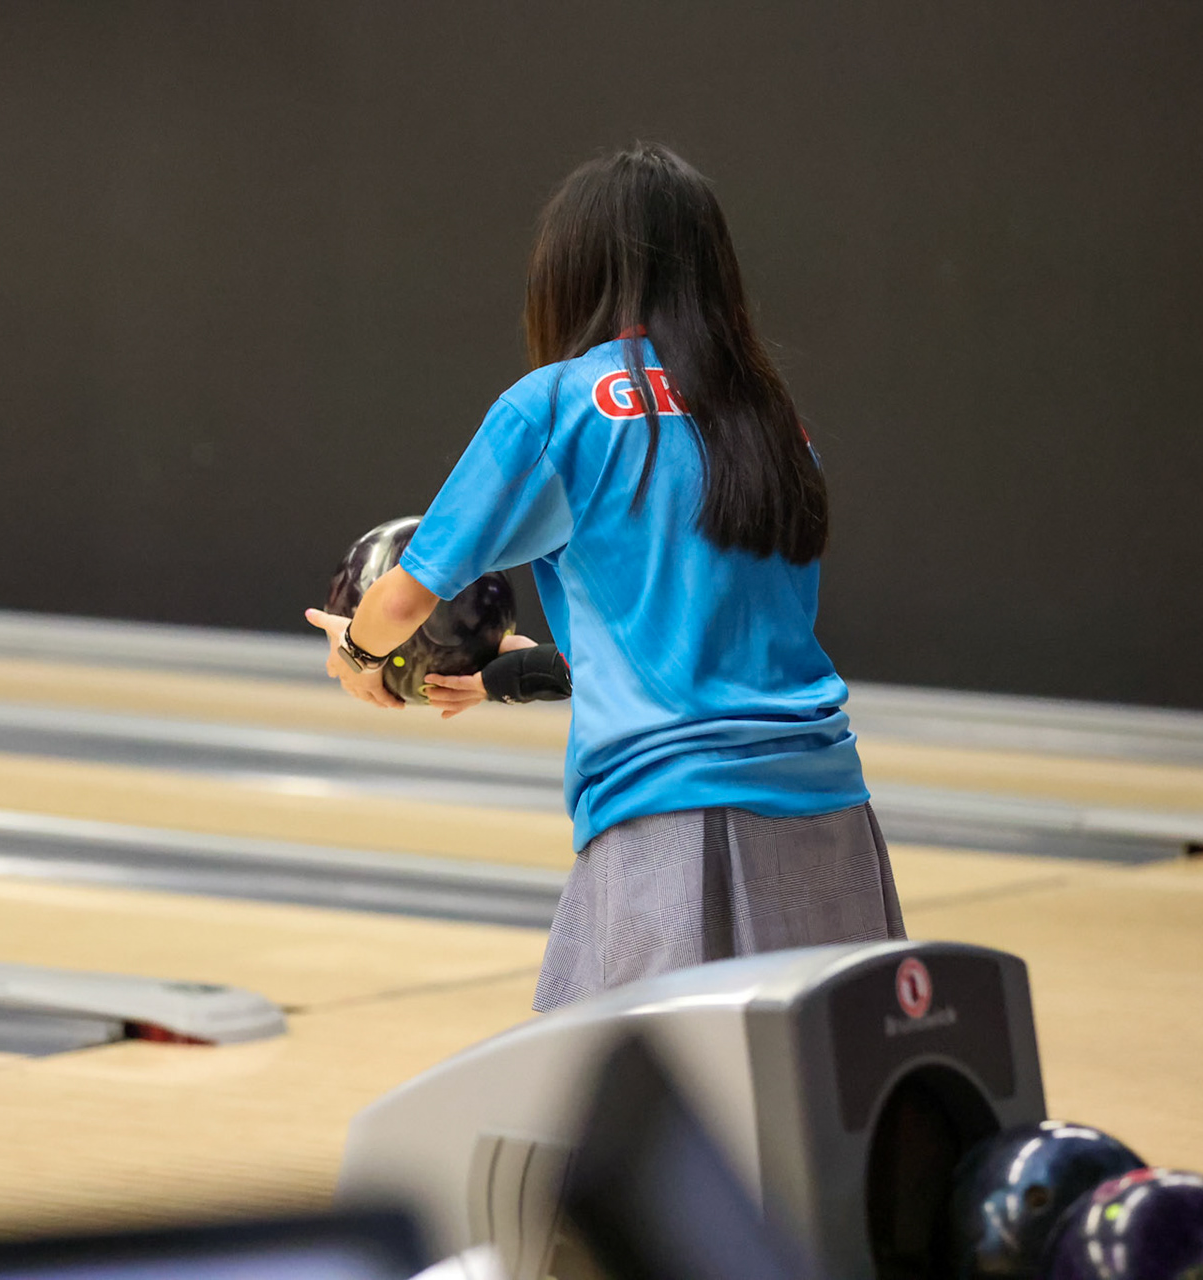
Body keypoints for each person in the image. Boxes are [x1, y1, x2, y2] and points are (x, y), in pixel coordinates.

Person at [305, 142, 903, 1012]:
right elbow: (708, 646)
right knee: (827, 1109)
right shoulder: (774, 422)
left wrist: (361, 658)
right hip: (831, 817)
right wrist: (506, 677)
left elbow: (404, 594)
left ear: (572, 272)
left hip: (672, 822)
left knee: (622, 1119)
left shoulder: (556, 406)